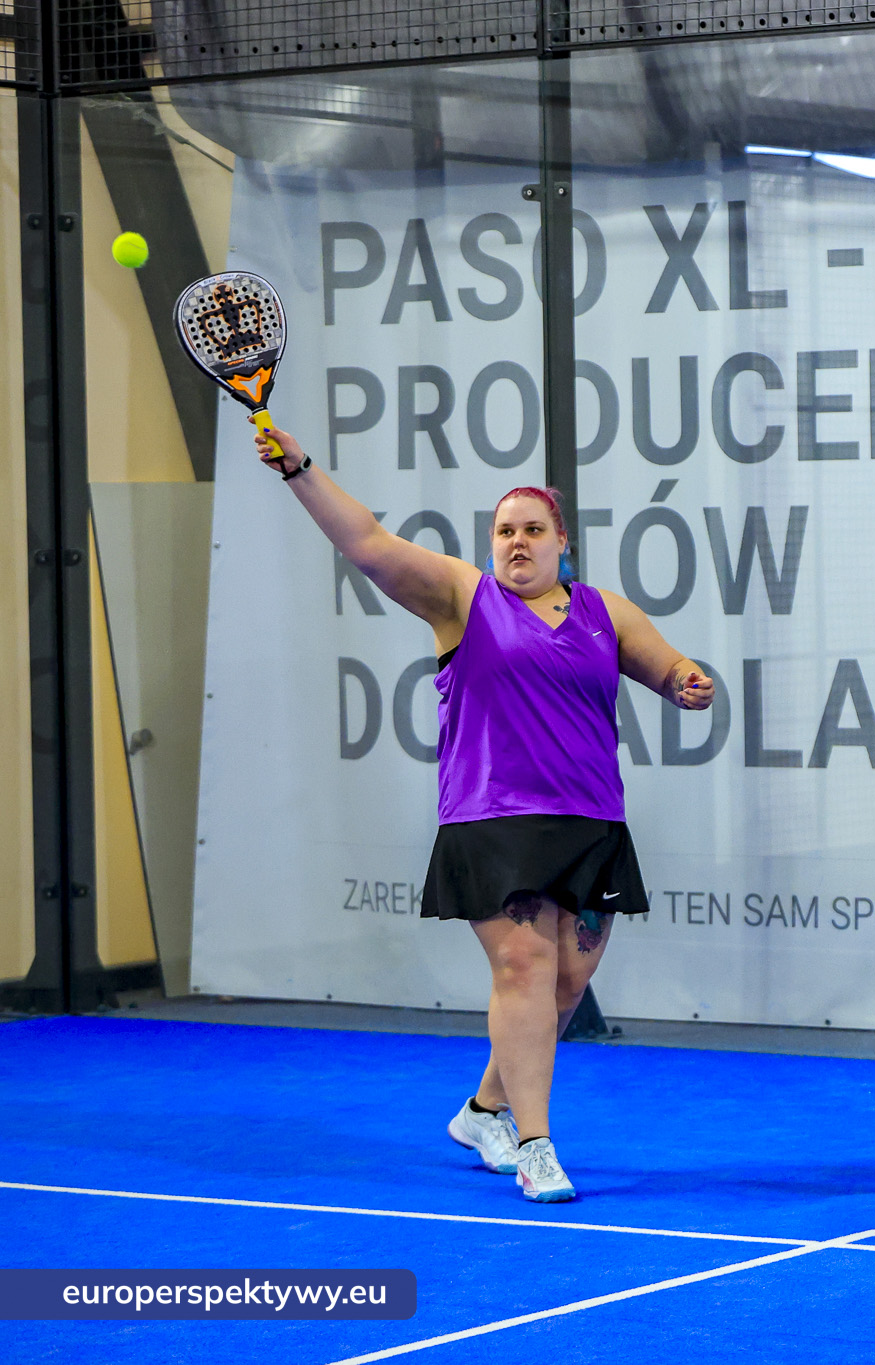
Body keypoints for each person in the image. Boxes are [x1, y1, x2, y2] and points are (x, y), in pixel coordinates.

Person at [253, 421, 714, 1203]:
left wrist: (686, 679)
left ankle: (484, 1110)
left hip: (591, 821)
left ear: (562, 541)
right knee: (525, 967)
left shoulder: (608, 612)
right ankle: (536, 1146)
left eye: (533, 529)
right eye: (504, 531)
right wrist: (298, 468)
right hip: (491, 819)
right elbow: (367, 541)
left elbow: (667, 667)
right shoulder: (463, 599)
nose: (517, 542)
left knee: (565, 985)